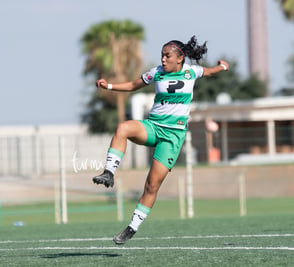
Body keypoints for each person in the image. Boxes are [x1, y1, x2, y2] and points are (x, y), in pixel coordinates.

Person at [92, 36, 229, 245]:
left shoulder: (192, 71)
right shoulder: (156, 72)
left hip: (173, 136)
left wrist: (221, 67)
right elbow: (133, 85)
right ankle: (109, 173)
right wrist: (109, 86)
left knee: (151, 186)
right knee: (123, 128)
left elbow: (208, 71)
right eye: (162, 56)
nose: (163, 60)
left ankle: (131, 228)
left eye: (167, 56)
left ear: (180, 58)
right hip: (153, 127)